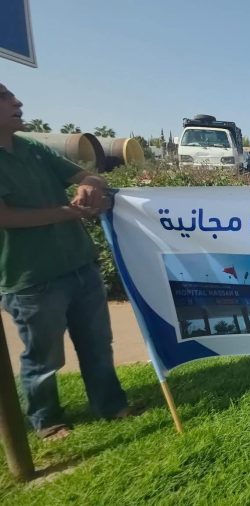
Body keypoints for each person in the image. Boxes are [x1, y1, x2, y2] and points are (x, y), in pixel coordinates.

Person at [0, 83, 138, 440]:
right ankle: (47, 420)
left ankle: (111, 405)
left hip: (80, 265)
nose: (18, 101)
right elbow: (6, 217)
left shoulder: (31, 148)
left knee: (97, 344)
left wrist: (89, 185)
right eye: (5, 97)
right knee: (43, 357)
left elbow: (88, 175)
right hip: (31, 277)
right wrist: (70, 211)